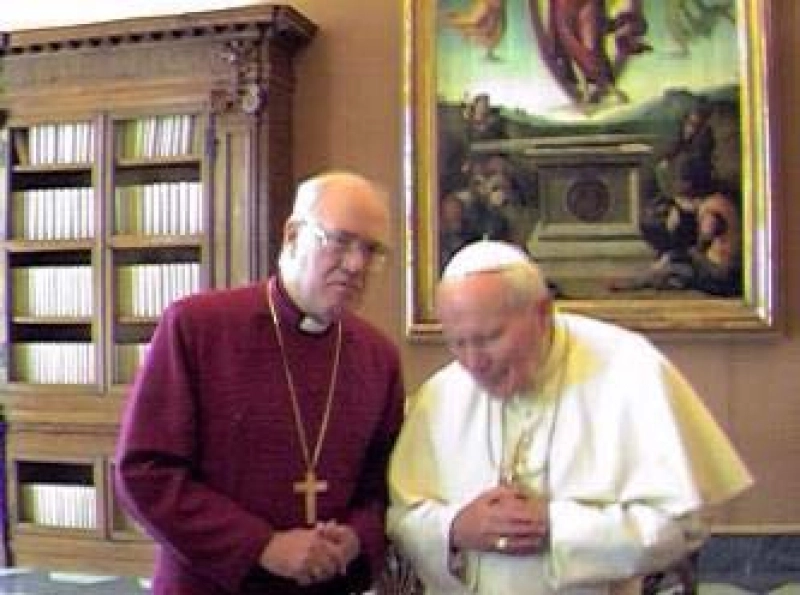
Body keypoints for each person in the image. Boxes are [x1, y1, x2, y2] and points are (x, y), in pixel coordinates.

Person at [387, 240, 752, 595]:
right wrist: (454, 529)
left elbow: (682, 525)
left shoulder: (628, 369)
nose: (472, 362)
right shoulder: (441, 394)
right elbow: (400, 519)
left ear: (542, 313)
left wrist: (557, 527)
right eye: (457, 342)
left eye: (488, 338)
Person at [115, 171, 406, 594]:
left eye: (371, 250)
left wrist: (356, 539)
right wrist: (261, 546)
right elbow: (145, 472)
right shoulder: (198, 327)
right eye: (340, 241)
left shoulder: (378, 357)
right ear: (292, 234)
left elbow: (381, 489)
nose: (356, 264)